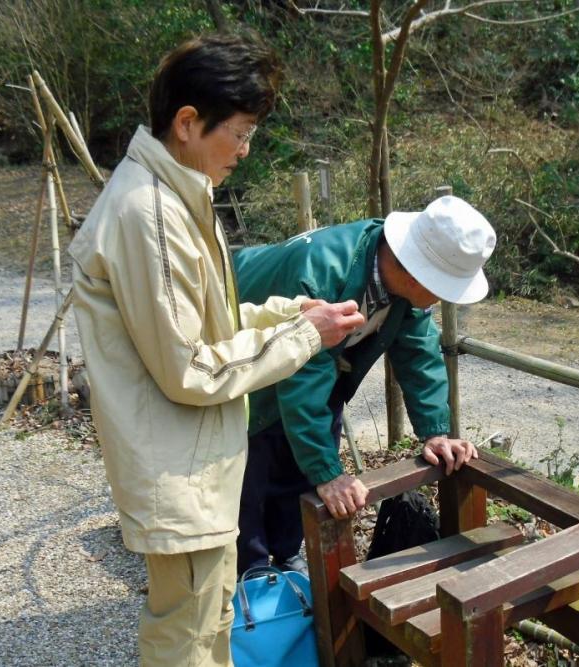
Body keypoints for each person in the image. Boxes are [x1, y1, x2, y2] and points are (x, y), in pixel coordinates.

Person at [66, 34, 364, 666]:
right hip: (179, 468)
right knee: (185, 638)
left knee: (208, 623)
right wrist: (307, 336)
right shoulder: (149, 214)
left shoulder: (176, 195)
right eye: (241, 132)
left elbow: (210, 325)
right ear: (187, 123)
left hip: (197, 464)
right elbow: (192, 369)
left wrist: (295, 312)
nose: (246, 150)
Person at [234, 195, 497, 575]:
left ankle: (286, 550)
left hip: (316, 367)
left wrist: (435, 431)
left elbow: (420, 353)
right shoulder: (322, 273)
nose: (443, 297)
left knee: (307, 452)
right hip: (249, 345)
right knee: (255, 457)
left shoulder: (400, 281)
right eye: (443, 286)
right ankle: (251, 569)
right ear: (417, 273)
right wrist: (328, 473)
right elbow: (300, 379)